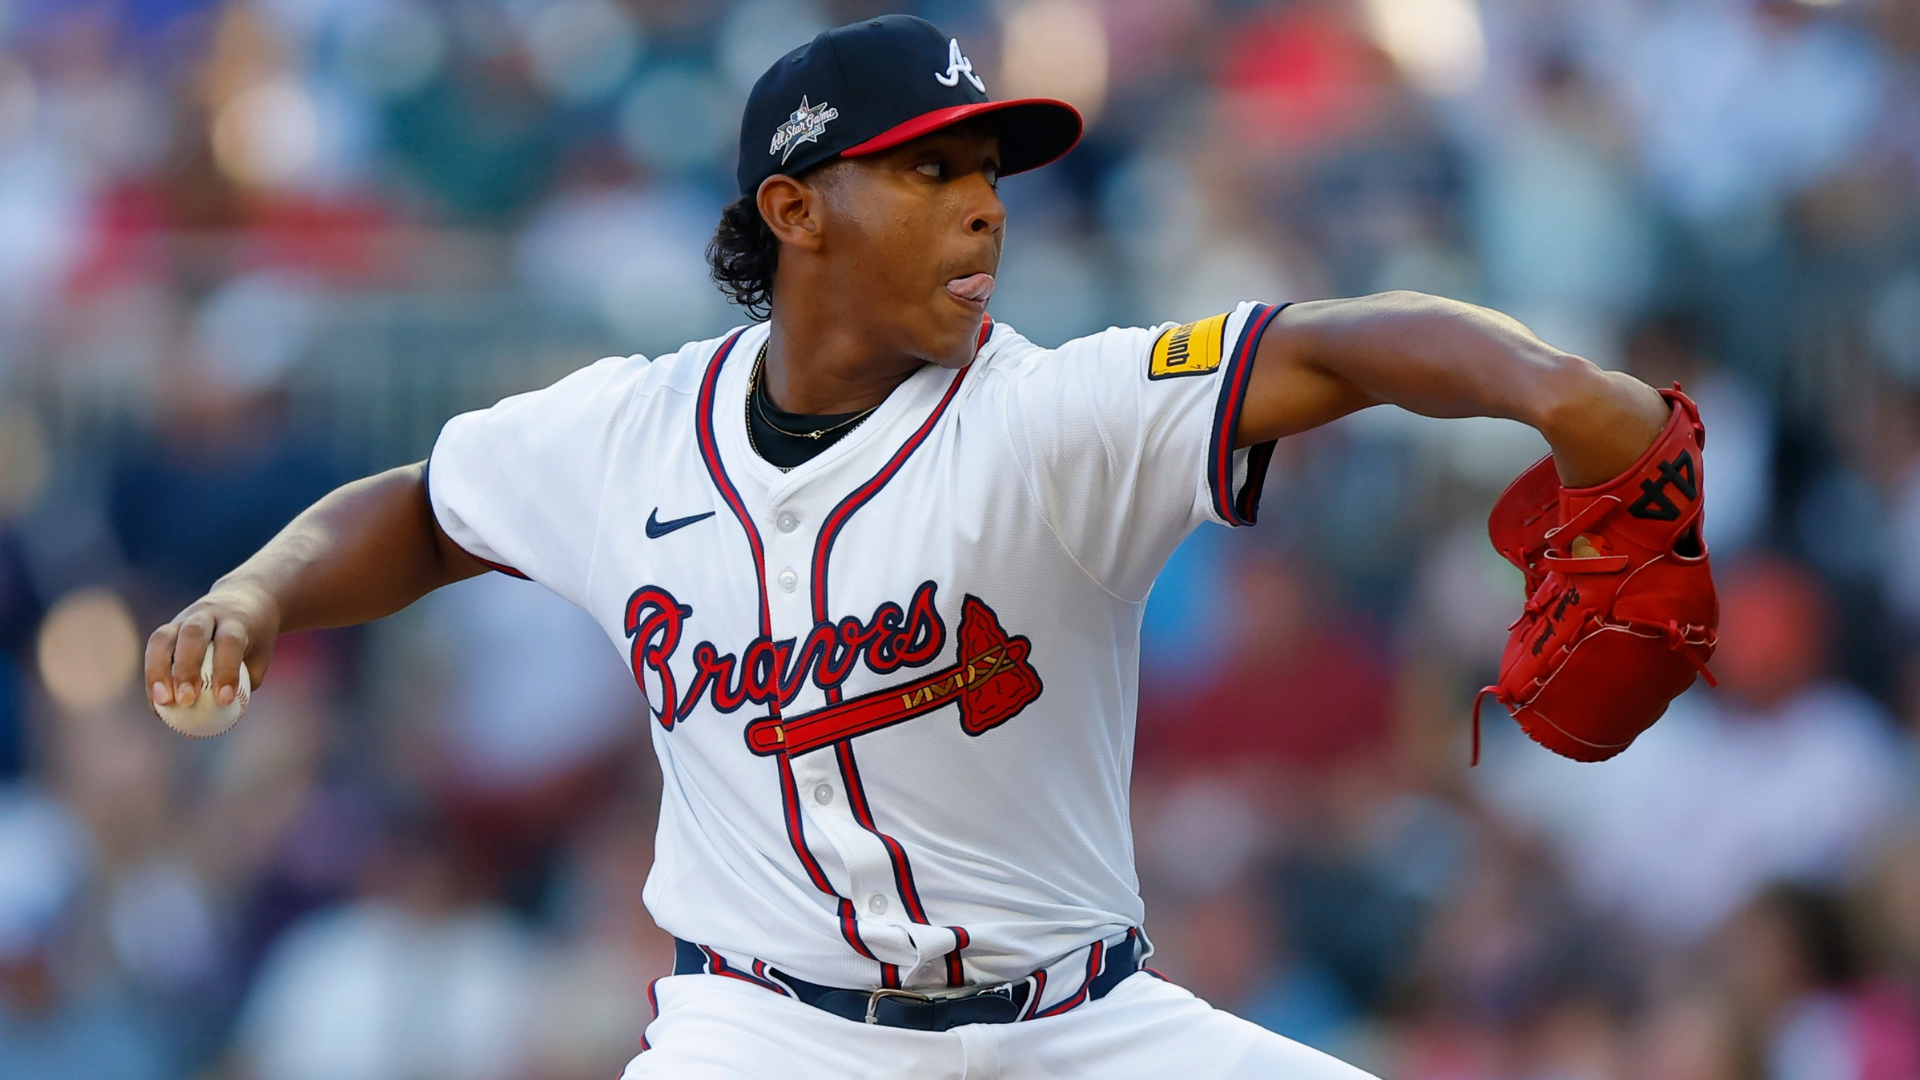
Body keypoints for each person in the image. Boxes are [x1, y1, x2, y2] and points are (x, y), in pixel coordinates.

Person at [144, 16, 1669, 1080]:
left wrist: (1564, 395)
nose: (984, 207)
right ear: (796, 209)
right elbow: (429, 503)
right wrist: (258, 589)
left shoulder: (1056, 416)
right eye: (931, 169)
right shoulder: (627, 432)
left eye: (991, 171)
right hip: (766, 1038)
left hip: (1085, 1031)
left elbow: (1331, 349)